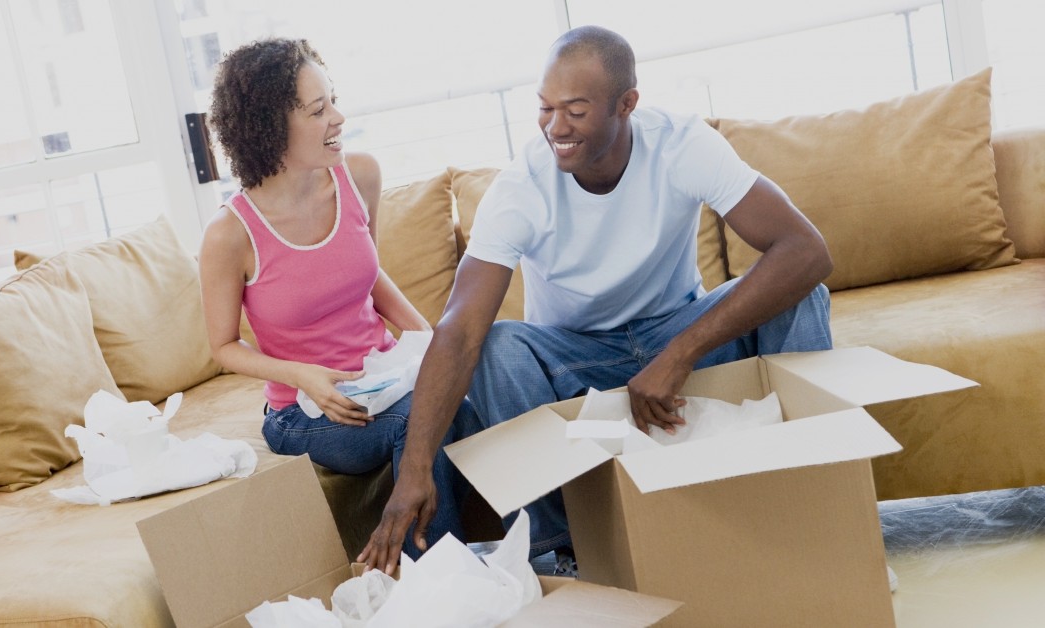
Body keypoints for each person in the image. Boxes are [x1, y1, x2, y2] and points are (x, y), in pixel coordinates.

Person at [358, 25, 833, 574]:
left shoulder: (682, 145)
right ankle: (572, 552)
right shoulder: (522, 188)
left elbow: (806, 251)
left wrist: (679, 352)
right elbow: (460, 329)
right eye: (545, 108)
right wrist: (415, 470)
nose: (555, 128)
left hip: (677, 331)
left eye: (576, 111)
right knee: (496, 346)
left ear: (625, 104)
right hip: (575, 359)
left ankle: (820, 498)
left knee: (803, 296)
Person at [198, 38, 480, 559]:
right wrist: (303, 375)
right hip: (306, 410)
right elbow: (224, 346)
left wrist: (436, 344)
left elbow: (369, 277)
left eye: (333, 100)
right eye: (318, 109)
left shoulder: (359, 176)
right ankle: (446, 581)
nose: (339, 118)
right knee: (420, 421)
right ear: (270, 126)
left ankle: (522, 555)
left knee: (473, 390)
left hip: (386, 377)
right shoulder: (231, 234)